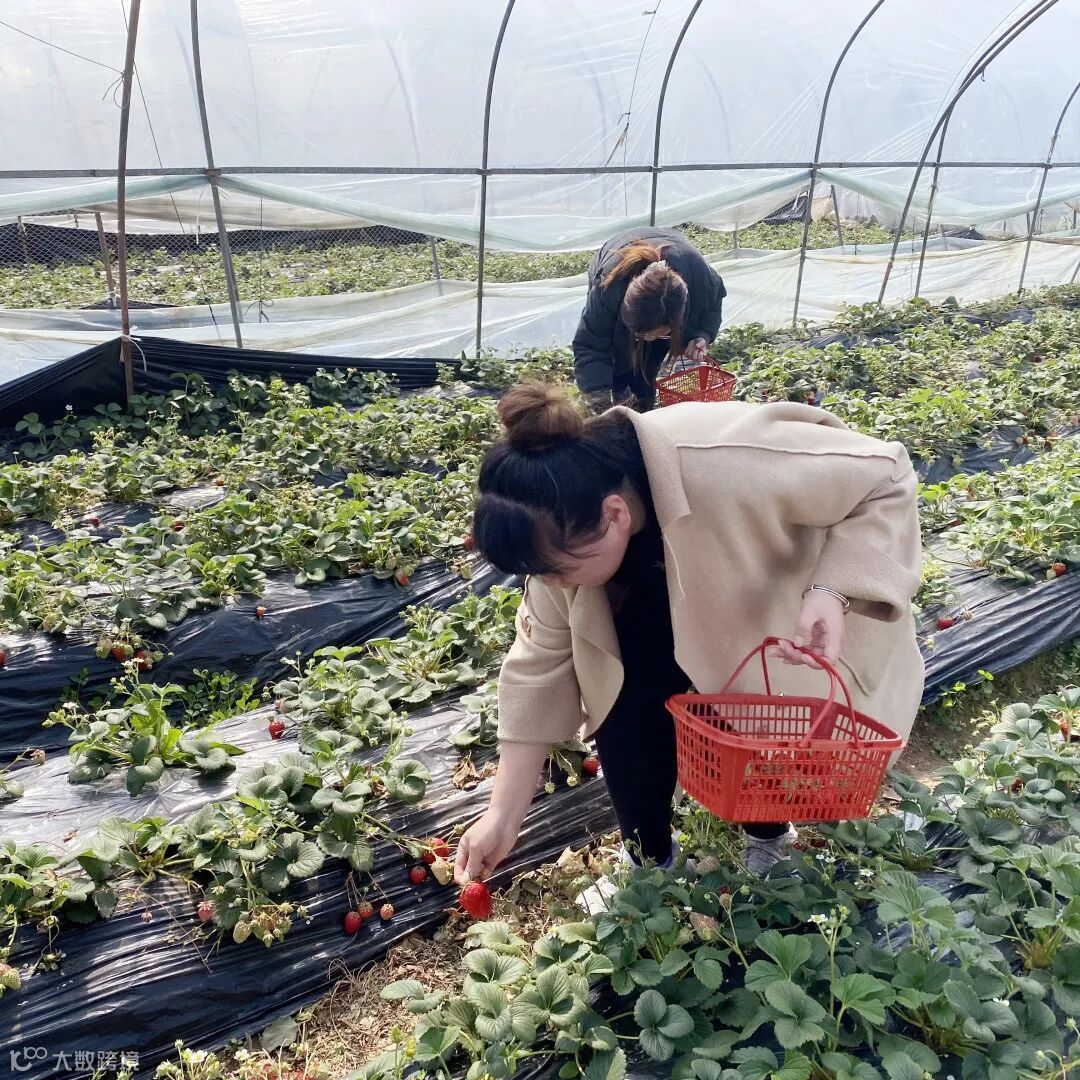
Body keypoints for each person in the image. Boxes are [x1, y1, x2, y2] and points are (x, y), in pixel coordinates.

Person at [454, 383, 924, 893]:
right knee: (620, 712)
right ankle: (650, 865)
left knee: (752, 712)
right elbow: (537, 665)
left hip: (754, 608)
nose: (550, 585)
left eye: (557, 571)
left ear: (615, 515)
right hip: (650, 611)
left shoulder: (727, 459)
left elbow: (887, 475)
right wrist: (502, 815)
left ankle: (768, 838)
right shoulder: (558, 527)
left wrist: (832, 589)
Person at [572, 227, 727, 414]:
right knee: (621, 359)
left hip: (681, 259)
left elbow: (713, 304)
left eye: (660, 333)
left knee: (649, 365)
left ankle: (643, 404)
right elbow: (591, 344)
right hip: (616, 254)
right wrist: (600, 400)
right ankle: (622, 391)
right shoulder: (608, 287)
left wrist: (702, 335)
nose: (649, 339)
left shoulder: (699, 276)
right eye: (643, 334)